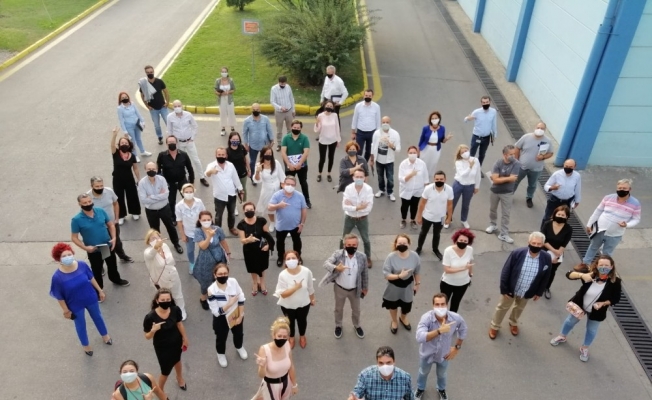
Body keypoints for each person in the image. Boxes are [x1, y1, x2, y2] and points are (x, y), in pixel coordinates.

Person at [550, 255, 622, 362]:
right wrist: (582, 275)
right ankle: (562, 336)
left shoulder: (615, 282)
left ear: (611, 267)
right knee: (570, 321)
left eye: (607, 265)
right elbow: (568, 274)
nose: (604, 267)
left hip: (597, 311)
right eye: (601, 265)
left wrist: (603, 303)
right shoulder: (590, 274)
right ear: (596, 265)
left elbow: (616, 299)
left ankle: (585, 347)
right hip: (580, 305)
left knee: (592, 330)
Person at [49, 243, 111, 356]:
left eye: (69, 254)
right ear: (58, 259)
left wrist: (100, 291)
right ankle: (86, 345)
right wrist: (66, 310)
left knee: (98, 317)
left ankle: (105, 335)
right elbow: (59, 296)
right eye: (64, 256)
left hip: (90, 297)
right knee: (80, 324)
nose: (68, 257)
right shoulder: (57, 277)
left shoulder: (82, 265)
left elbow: (91, 278)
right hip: (74, 304)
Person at [488, 232, 552, 339]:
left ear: (543, 244)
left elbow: (546, 276)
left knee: (519, 308)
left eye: (539, 244)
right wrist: (504, 289)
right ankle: (494, 326)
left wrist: (539, 292)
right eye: (534, 243)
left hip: (527, 290)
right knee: (502, 307)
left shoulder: (546, 257)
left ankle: (513, 322)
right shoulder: (517, 253)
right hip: (511, 289)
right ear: (529, 242)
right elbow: (506, 271)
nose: (536, 245)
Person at [576, 179, 641, 272]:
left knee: (607, 253)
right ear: (616, 188)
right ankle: (585, 264)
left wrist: (627, 224)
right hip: (600, 229)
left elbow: (636, 219)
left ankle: (602, 269)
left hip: (615, 234)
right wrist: (589, 224)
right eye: (620, 188)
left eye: (624, 188)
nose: (622, 190)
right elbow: (598, 211)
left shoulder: (635, 203)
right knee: (593, 246)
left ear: (630, 189)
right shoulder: (608, 198)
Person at [414, 293, 468, 400]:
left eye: (442, 304)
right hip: (427, 354)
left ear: (447, 305)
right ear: (433, 305)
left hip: (444, 355)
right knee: (423, 372)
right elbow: (419, 337)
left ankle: (441, 389)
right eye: (437, 304)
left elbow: (463, 329)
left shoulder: (455, 318)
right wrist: (439, 331)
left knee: (442, 374)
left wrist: (457, 347)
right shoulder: (426, 318)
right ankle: (420, 388)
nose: (440, 307)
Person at [71, 194, 129, 288]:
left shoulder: (100, 211)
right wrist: (85, 248)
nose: (88, 204)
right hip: (93, 250)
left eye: (89, 201)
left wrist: (114, 238)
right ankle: (98, 288)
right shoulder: (76, 220)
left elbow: (110, 225)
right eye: (85, 203)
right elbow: (74, 237)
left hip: (106, 246)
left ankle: (115, 279)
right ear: (79, 204)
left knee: (112, 265)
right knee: (96, 270)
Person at [320, 233, 369, 339]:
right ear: (344, 245)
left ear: (357, 245)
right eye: (349, 245)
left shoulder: (362, 257)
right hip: (340, 289)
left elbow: (364, 273)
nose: (351, 247)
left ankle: (357, 325)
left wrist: (365, 287)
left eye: (354, 245)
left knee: (356, 310)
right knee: (338, 309)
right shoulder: (338, 254)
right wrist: (336, 268)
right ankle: (338, 325)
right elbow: (326, 263)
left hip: (355, 289)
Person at [143, 288, 188, 391]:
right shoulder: (150, 317)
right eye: (162, 300)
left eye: (168, 299)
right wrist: (153, 330)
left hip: (176, 342)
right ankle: (160, 391)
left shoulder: (175, 310)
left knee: (177, 360)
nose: (165, 302)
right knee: (165, 371)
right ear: (157, 301)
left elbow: (179, 324)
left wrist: (185, 338)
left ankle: (179, 378)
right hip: (162, 347)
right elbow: (147, 336)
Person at [138, 162, 183, 253]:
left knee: (170, 227)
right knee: (154, 231)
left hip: (164, 208)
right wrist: (159, 196)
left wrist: (150, 197)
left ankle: (176, 243)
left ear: (157, 169)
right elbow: (143, 200)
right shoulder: (142, 183)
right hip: (151, 211)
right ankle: (158, 247)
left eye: (153, 169)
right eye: (149, 169)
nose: (151, 171)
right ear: (145, 170)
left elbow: (166, 195)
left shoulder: (162, 179)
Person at [207, 263, 247, 367]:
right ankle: (220, 354)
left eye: (225, 273)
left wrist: (240, 316)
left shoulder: (233, 282)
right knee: (221, 337)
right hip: (221, 318)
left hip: (235, 313)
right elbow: (216, 312)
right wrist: (229, 304)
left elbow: (241, 297)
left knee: (238, 333)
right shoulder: (211, 291)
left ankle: (239, 347)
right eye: (220, 274)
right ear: (215, 275)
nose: (223, 276)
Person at [275, 250, 315, 349]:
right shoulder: (283, 275)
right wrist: (295, 288)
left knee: (302, 321)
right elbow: (283, 295)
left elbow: (310, 286)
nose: (291, 260)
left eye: (293, 258)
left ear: (298, 259)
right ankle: (291, 338)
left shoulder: (306, 271)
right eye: (288, 259)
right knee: (290, 323)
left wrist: (312, 298)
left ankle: (302, 336)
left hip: (303, 303)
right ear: (285, 261)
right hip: (287, 306)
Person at [87, 176, 133, 263]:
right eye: (97, 186)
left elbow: (116, 204)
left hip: (112, 223)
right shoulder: (88, 197)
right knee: (103, 245)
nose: (100, 188)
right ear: (92, 186)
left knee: (117, 241)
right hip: (99, 226)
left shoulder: (109, 191)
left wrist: (117, 218)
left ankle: (122, 256)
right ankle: (105, 263)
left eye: (101, 186)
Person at [144, 229, 187, 320]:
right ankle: (165, 311)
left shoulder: (165, 246)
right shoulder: (147, 252)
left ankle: (181, 310)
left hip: (173, 275)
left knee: (178, 294)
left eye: (157, 237)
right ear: (148, 241)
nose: (156, 240)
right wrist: (155, 248)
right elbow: (150, 255)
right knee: (164, 297)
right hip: (161, 279)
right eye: (152, 239)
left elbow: (170, 260)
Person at [383, 234, 421, 334]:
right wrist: (399, 276)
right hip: (393, 286)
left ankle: (403, 318)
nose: (402, 245)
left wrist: (417, 284)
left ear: (409, 244)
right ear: (396, 244)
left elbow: (417, 271)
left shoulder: (414, 256)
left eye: (404, 243)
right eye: (399, 243)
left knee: (406, 305)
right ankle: (394, 321)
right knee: (393, 305)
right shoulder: (391, 257)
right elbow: (386, 275)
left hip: (408, 286)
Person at [252, 317, 299, 399]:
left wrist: (294, 385)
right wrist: (262, 366)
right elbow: (261, 375)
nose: (282, 339)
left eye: (285, 336)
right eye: (279, 336)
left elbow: (291, 366)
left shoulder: (287, 345)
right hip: (271, 386)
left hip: (286, 383)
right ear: (273, 335)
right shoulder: (264, 349)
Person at [166, 100, 210, 187]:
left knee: (196, 160)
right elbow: (169, 130)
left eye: (179, 106)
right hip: (179, 143)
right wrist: (172, 142)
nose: (177, 108)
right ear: (173, 107)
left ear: (182, 106)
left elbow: (195, 126)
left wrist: (192, 138)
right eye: (175, 106)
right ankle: (185, 178)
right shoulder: (170, 117)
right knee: (182, 161)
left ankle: (202, 177)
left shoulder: (188, 115)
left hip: (189, 141)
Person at [205, 147, 245, 236]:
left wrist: (240, 189)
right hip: (219, 196)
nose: (221, 156)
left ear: (226, 155)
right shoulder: (212, 165)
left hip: (231, 194)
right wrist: (211, 171)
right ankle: (217, 230)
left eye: (223, 154)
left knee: (232, 213)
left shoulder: (230, 165)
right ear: (216, 155)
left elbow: (235, 178)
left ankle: (231, 227)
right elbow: (206, 174)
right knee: (218, 215)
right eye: (219, 154)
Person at [194, 211, 230, 310]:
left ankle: (216, 294)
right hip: (205, 260)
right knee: (206, 280)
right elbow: (203, 246)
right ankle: (203, 297)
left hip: (219, 258)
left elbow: (223, 241)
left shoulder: (217, 229)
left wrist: (228, 252)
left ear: (211, 219)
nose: (206, 221)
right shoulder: (198, 231)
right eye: (204, 220)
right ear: (200, 220)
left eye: (208, 219)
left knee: (220, 277)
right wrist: (209, 236)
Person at [237, 202, 275, 296]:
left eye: (251, 209)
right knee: (252, 268)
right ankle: (254, 283)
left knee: (262, 266)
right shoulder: (241, 224)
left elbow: (267, 235)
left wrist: (268, 245)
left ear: (254, 210)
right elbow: (242, 240)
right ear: (243, 211)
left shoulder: (261, 220)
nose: (249, 211)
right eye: (247, 210)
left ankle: (262, 283)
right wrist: (248, 240)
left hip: (262, 248)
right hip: (249, 250)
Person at [268, 176, 308, 267]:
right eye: (288, 184)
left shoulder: (299, 196)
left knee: (297, 242)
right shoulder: (277, 195)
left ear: (295, 185)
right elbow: (269, 207)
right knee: (280, 242)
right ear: (283, 184)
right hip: (281, 226)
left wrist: (302, 224)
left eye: (292, 185)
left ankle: (297, 256)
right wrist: (279, 205)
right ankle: (281, 257)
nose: (290, 186)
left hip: (295, 225)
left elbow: (304, 210)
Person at [348, 346, 414, 400]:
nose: (385, 366)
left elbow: (410, 398)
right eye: (381, 363)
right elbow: (357, 391)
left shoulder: (405, 378)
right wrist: (353, 398)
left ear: (394, 362)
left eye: (388, 362)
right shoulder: (366, 375)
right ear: (377, 363)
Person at [513, 122, 554, 208]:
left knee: (532, 185)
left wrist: (543, 157)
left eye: (542, 128)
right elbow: (517, 147)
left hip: (536, 168)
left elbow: (550, 153)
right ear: (535, 127)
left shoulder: (547, 141)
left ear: (545, 130)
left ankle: (529, 198)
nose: (539, 130)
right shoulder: (526, 137)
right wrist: (516, 160)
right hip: (522, 166)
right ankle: (509, 195)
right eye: (538, 127)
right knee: (515, 181)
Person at [486, 145, 521, 244]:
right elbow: (495, 180)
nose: (513, 156)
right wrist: (509, 178)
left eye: (514, 154)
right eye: (511, 154)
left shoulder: (516, 163)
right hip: (495, 191)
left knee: (506, 214)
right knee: (493, 210)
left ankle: (504, 234)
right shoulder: (498, 163)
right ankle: (493, 225)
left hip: (507, 192)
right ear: (505, 155)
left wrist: (499, 178)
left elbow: (509, 179)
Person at [415, 171, 453, 260]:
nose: (439, 181)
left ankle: (435, 249)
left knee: (437, 234)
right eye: (437, 179)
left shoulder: (449, 189)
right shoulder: (428, 189)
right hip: (427, 216)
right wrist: (419, 216)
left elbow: (450, 205)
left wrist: (449, 218)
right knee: (423, 233)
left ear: (445, 179)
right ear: (434, 179)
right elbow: (422, 203)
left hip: (440, 218)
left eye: (441, 179)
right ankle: (419, 248)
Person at [341, 169, 374, 267]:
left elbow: (368, 208)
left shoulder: (368, 189)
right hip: (349, 218)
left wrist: (352, 206)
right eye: (357, 177)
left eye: (361, 177)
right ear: (353, 178)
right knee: (343, 238)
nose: (359, 179)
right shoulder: (348, 188)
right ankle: (341, 256)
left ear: (364, 178)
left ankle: (368, 257)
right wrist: (359, 207)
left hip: (362, 218)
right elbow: (344, 206)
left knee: (366, 239)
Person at [157, 135, 194, 221]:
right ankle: (173, 217)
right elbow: (158, 170)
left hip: (182, 181)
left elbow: (190, 168)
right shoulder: (162, 155)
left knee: (188, 198)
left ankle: (189, 214)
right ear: (166, 144)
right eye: (169, 142)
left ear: (177, 143)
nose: (171, 144)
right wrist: (161, 184)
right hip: (169, 183)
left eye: (173, 142)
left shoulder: (184, 155)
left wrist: (191, 183)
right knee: (171, 201)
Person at [110, 127, 141, 225]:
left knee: (132, 195)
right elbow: (112, 145)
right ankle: (121, 215)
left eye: (125, 143)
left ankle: (135, 212)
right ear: (119, 145)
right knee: (119, 197)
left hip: (129, 179)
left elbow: (135, 168)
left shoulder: (132, 156)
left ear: (129, 145)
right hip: (117, 179)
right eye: (122, 143)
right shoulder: (115, 153)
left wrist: (138, 179)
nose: (124, 144)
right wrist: (114, 135)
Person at [541, 205, 573, 299]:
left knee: (551, 271)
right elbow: (543, 240)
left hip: (558, 254)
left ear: (567, 217)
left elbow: (564, 244)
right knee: (541, 269)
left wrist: (557, 255)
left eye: (563, 215)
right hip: (545, 251)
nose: (560, 216)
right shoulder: (547, 224)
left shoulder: (568, 229)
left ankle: (547, 287)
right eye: (559, 214)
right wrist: (554, 250)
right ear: (555, 214)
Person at [440, 229, 475, 313]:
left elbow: (470, 262)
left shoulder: (470, 249)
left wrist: (470, 273)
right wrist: (464, 268)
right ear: (456, 240)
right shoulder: (448, 251)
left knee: (455, 304)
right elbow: (447, 270)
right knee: (443, 304)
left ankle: (452, 319)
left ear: (469, 242)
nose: (463, 242)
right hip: (448, 283)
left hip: (463, 283)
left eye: (465, 241)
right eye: (461, 240)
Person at [254, 145, 286, 232]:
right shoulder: (259, 165)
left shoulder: (276, 163)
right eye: (266, 153)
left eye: (270, 153)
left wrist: (285, 188)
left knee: (280, 208)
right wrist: (257, 172)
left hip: (277, 189)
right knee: (269, 208)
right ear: (263, 154)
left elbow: (282, 176)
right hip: (267, 190)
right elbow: (257, 180)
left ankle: (281, 224)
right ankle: (272, 222)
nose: (268, 155)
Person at [175, 183, 205, 274]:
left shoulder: (199, 202)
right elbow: (179, 221)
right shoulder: (179, 206)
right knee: (190, 250)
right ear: (182, 192)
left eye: (190, 192)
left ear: (194, 192)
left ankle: (203, 263)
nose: (189, 194)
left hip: (200, 231)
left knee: (203, 248)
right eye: (186, 192)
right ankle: (192, 263)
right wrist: (182, 235)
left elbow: (204, 215)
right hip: (188, 232)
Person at [542, 159, 581, 227]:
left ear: (574, 167)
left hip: (567, 201)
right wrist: (552, 188)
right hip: (554, 200)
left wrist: (577, 201)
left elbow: (577, 188)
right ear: (563, 165)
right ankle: (543, 231)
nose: (568, 168)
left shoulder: (577, 176)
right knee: (547, 217)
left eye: (570, 167)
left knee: (563, 218)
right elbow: (546, 186)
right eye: (566, 166)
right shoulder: (557, 174)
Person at [369, 116, 401, 201]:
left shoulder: (395, 134)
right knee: (380, 176)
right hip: (379, 159)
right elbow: (373, 146)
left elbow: (398, 149)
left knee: (390, 178)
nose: (385, 124)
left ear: (390, 123)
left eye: (387, 122)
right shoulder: (376, 133)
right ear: (381, 123)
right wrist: (372, 159)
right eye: (383, 122)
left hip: (389, 160)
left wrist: (392, 146)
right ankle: (381, 189)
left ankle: (390, 192)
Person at [281, 120, 312, 208]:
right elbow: (283, 152)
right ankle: (285, 199)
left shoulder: (304, 138)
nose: (296, 129)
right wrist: (288, 164)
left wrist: (299, 164)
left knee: (303, 183)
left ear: (301, 128)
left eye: (298, 128)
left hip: (302, 166)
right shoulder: (286, 138)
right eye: (294, 127)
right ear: (291, 127)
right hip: (289, 166)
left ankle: (307, 200)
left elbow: (306, 152)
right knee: (288, 183)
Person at [398, 146, 429, 230]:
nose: (412, 154)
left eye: (414, 153)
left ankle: (412, 220)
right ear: (407, 154)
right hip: (406, 190)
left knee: (414, 206)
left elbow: (426, 177)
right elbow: (401, 179)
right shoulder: (403, 164)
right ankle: (403, 219)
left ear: (417, 153)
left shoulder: (422, 164)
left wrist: (426, 190)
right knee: (404, 206)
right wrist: (411, 175)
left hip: (418, 190)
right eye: (410, 153)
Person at [243, 103, 274, 185]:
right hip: (253, 145)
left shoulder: (265, 119)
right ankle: (253, 178)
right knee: (252, 162)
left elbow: (269, 129)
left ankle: (266, 175)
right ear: (251, 110)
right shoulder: (247, 121)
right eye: (254, 109)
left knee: (266, 160)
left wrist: (272, 140)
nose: (255, 111)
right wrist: (246, 144)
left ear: (260, 110)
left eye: (257, 109)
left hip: (264, 145)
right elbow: (245, 133)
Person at [451, 144, 481, 229]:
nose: (465, 153)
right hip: (458, 184)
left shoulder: (475, 160)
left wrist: (477, 186)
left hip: (469, 186)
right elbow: (463, 175)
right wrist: (470, 167)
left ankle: (464, 220)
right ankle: (448, 218)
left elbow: (478, 174)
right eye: (462, 152)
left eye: (466, 151)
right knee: (452, 202)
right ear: (460, 154)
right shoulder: (458, 162)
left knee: (466, 204)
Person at [139, 65, 169, 144]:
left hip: (163, 106)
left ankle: (171, 136)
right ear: (145, 73)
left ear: (153, 71)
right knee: (157, 125)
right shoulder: (144, 84)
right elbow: (142, 96)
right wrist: (147, 106)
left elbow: (166, 92)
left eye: (151, 72)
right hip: (153, 109)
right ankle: (160, 137)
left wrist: (167, 102)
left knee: (168, 122)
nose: (150, 73)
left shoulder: (159, 81)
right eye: (148, 72)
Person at [464, 95, 497, 166]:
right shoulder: (477, 112)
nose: (485, 104)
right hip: (476, 136)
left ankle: (478, 168)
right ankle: (469, 167)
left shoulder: (493, 111)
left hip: (486, 138)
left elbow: (494, 124)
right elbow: (466, 119)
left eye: (487, 102)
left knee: (482, 154)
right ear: (481, 103)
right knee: (472, 153)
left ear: (490, 102)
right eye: (483, 102)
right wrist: (468, 119)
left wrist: (494, 135)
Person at [419, 111, 453, 179]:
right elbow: (421, 139)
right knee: (423, 163)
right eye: (433, 118)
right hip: (426, 148)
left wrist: (447, 138)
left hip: (436, 149)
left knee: (433, 164)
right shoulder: (426, 128)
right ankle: (420, 177)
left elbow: (442, 140)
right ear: (430, 120)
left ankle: (428, 180)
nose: (434, 120)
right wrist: (418, 150)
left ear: (439, 119)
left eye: (436, 118)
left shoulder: (442, 128)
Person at [117, 91, 150, 159]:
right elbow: (121, 120)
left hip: (137, 124)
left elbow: (138, 113)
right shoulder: (120, 108)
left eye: (126, 97)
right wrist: (125, 131)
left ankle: (143, 151)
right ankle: (135, 155)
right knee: (132, 141)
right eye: (123, 98)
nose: (125, 98)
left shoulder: (132, 104)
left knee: (139, 139)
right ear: (120, 99)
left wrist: (142, 121)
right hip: (129, 126)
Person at [314, 100, 341, 183]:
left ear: (333, 107)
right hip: (323, 140)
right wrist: (317, 123)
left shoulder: (335, 115)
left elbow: (337, 127)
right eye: (327, 106)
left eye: (331, 106)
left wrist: (338, 139)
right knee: (322, 159)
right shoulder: (320, 115)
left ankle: (329, 174)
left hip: (333, 140)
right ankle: (319, 173)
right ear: (324, 106)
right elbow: (317, 130)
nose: (329, 107)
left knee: (331, 157)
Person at [351, 89, 381, 161]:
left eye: (369, 96)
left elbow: (378, 120)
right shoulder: (358, 106)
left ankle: (364, 163)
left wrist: (378, 134)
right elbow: (355, 119)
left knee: (369, 151)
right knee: (358, 150)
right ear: (363, 95)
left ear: (372, 96)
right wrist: (353, 132)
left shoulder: (376, 107)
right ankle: (358, 164)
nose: (367, 97)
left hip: (371, 133)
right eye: (366, 95)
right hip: (360, 132)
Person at [271, 75, 295, 149]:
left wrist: (293, 110)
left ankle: (289, 143)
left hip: (289, 110)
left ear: (286, 82)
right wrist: (280, 107)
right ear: (278, 82)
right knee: (279, 129)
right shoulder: (274, 89)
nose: (282, 85)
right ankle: (279, 144)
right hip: (279, 112)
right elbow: (272, 101)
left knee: (290, 128)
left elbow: (291, 98)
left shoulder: (288, 87)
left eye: (284, 83)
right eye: (281, 83)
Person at [227, 131, 250, 205]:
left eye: (237, 139)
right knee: (233, 190)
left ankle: (244, 203)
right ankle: (234, 205)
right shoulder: (227, 151)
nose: (235, 141)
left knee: (243, 188)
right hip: (232, 176)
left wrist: (249, 169)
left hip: (242, 173)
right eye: (233, 139)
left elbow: (246, 159)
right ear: (230, 140)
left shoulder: (242, 148)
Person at [215, 66, 236, 135]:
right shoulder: (218, 81)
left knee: (231, 112)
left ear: (227, 72)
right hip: (221, 99)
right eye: (222, 72)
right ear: (221, 73)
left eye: (225, 72)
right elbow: (215, 90)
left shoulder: (231, 80)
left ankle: (232, 127)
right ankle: (223, 128)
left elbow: (233, 89)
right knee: (222, 113)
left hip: (229, 99)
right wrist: (220, 93)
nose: (224, 73)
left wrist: (228, 92)